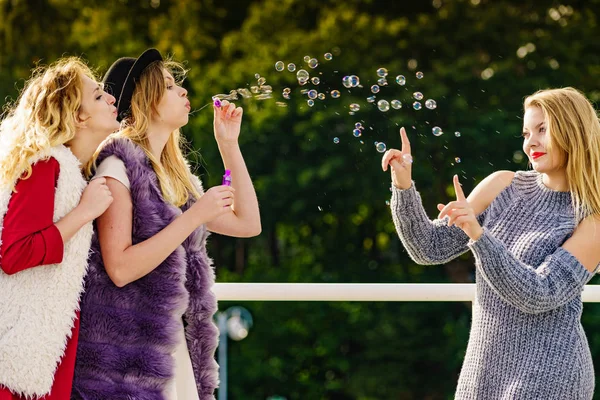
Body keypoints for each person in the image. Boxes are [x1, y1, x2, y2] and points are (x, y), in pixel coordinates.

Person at [382, 87, 600, 399]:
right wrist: (403, 185)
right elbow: (428, 248)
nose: (531, 143)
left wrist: (479, 237)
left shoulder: (592, 219)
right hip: (481, 372)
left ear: (574, 132)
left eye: (543, 129)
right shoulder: (502, 185)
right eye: (526, 133)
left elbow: (540, 293)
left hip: (550, 378)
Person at [73, 49, 261, 400]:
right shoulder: (117, 167)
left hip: (166, 350)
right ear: (147, 100)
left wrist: (229, 145)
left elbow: (248, 223)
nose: (184, 92)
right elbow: (120, 268)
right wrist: (194, 216)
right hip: (128, 361)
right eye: (171, 86)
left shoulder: (172, 180)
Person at [0, 58, 118, 399]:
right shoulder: (44, 164)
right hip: (17, 360)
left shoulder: (71, 173)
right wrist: (83, 213)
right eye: (98, 96)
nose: (110, 99)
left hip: (43, 350)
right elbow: (13, 254)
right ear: (77, 116)